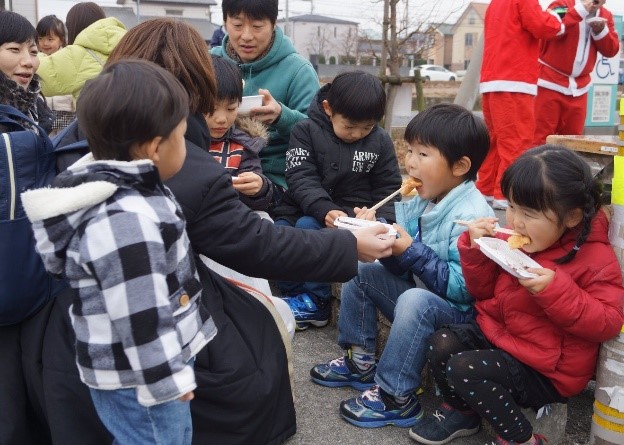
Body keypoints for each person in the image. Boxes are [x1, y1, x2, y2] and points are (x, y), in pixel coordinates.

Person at [48, 18, 397, 445]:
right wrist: (348, 244)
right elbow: (253, 244)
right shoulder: (162, 179)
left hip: (72, 343)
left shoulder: (89, 140)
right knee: (252, 341)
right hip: (139, 372)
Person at [23, 59, 218, 444]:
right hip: (141, 375)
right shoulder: (127, 219)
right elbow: (140, 313)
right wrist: (168, 378)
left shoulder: (119, 190)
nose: (189, 143)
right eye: (182, 136)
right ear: (154, 148)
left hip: (134, 367)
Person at [411, 145, 624, 445]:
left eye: (529, 213)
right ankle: (461, 412)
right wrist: (477, 250)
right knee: (440, 342)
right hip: (502, 338)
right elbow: (482, 292)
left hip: (546, 369)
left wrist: (555, 291)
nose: (516, 222)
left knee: (464, 368)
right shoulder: (518, 240)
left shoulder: (595, 258)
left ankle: (522, 439)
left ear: (573, 217)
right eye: (511, 207)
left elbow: (607, 322)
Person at [310, 104, 494, 432]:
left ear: (460, 166)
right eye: (409, 150)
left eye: (423, 154)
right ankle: (360, 360)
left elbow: (463, 289)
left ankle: (397, 395)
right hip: (424, 299)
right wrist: (382, 236)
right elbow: (401, 269)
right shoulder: (424, 197)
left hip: (459, 318)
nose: (410, 162)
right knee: (362, 269)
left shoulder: (470, 215)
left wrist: (410, 249)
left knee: (415, 301)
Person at [272, 71, 402, 330]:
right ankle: (294, 293)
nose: (357, 134)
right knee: (281, 233)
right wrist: (324, 209)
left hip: (354, 217)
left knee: (310, 228)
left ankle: (316, 301)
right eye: (350, 126)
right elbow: (300, 176)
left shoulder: (380, 141)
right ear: (328, 108)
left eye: (367, 127)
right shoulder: (305, 130)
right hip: (304, 206)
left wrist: (380, 218)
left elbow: (388, 187)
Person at [476, 0, 600, 210]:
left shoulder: (496, 3)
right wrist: (574, 13)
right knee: (516, 141)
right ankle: (506, 194)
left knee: (496, 141)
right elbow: (545, 27)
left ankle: (486, 190)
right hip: (515, 80)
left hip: (492, 80)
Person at [0, 11, 57, 445]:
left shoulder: (35, 106)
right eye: (13, 50)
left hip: (33, 259)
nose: (27, 61)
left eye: (32, 50)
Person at [211, 0, 320, 199]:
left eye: (257, 26)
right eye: (237, 25)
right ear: (225, 22)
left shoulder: (298, 71)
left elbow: (320, 134)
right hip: (214, 169)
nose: (246, 36)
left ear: (273, 23)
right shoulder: (208, 63)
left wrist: (282, 116)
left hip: (276, 180)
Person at [533, 0, 620, 145]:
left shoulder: (606, 16)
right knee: (540, 139)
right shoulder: (561, 5)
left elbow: (611, 50)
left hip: (580, 88)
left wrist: (600, 31)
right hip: (549, 82)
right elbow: (550, 30)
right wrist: (581, 11)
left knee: (573, 143)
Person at [207, 54, 279, 213]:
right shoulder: (183, 143)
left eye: (231, 109)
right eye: (210, 109)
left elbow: (257, 203)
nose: (221, 119)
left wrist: (260, 188)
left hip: (234, 215)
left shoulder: (244, 144)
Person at [36, 2, 126, 101]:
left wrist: (30, 51)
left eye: (50, 39)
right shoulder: (128, 42)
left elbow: (36, 72)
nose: (44, 43)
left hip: (96, 115)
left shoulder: (75, 55)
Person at [36, 15, 76, 135]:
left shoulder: (68, 57)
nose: (44, 43)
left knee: (64, 137)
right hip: (44, 109)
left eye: (50, 39)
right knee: (47, 138)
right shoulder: (35, 58)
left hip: (65, 109)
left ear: (62, 40)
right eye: (40, 38)